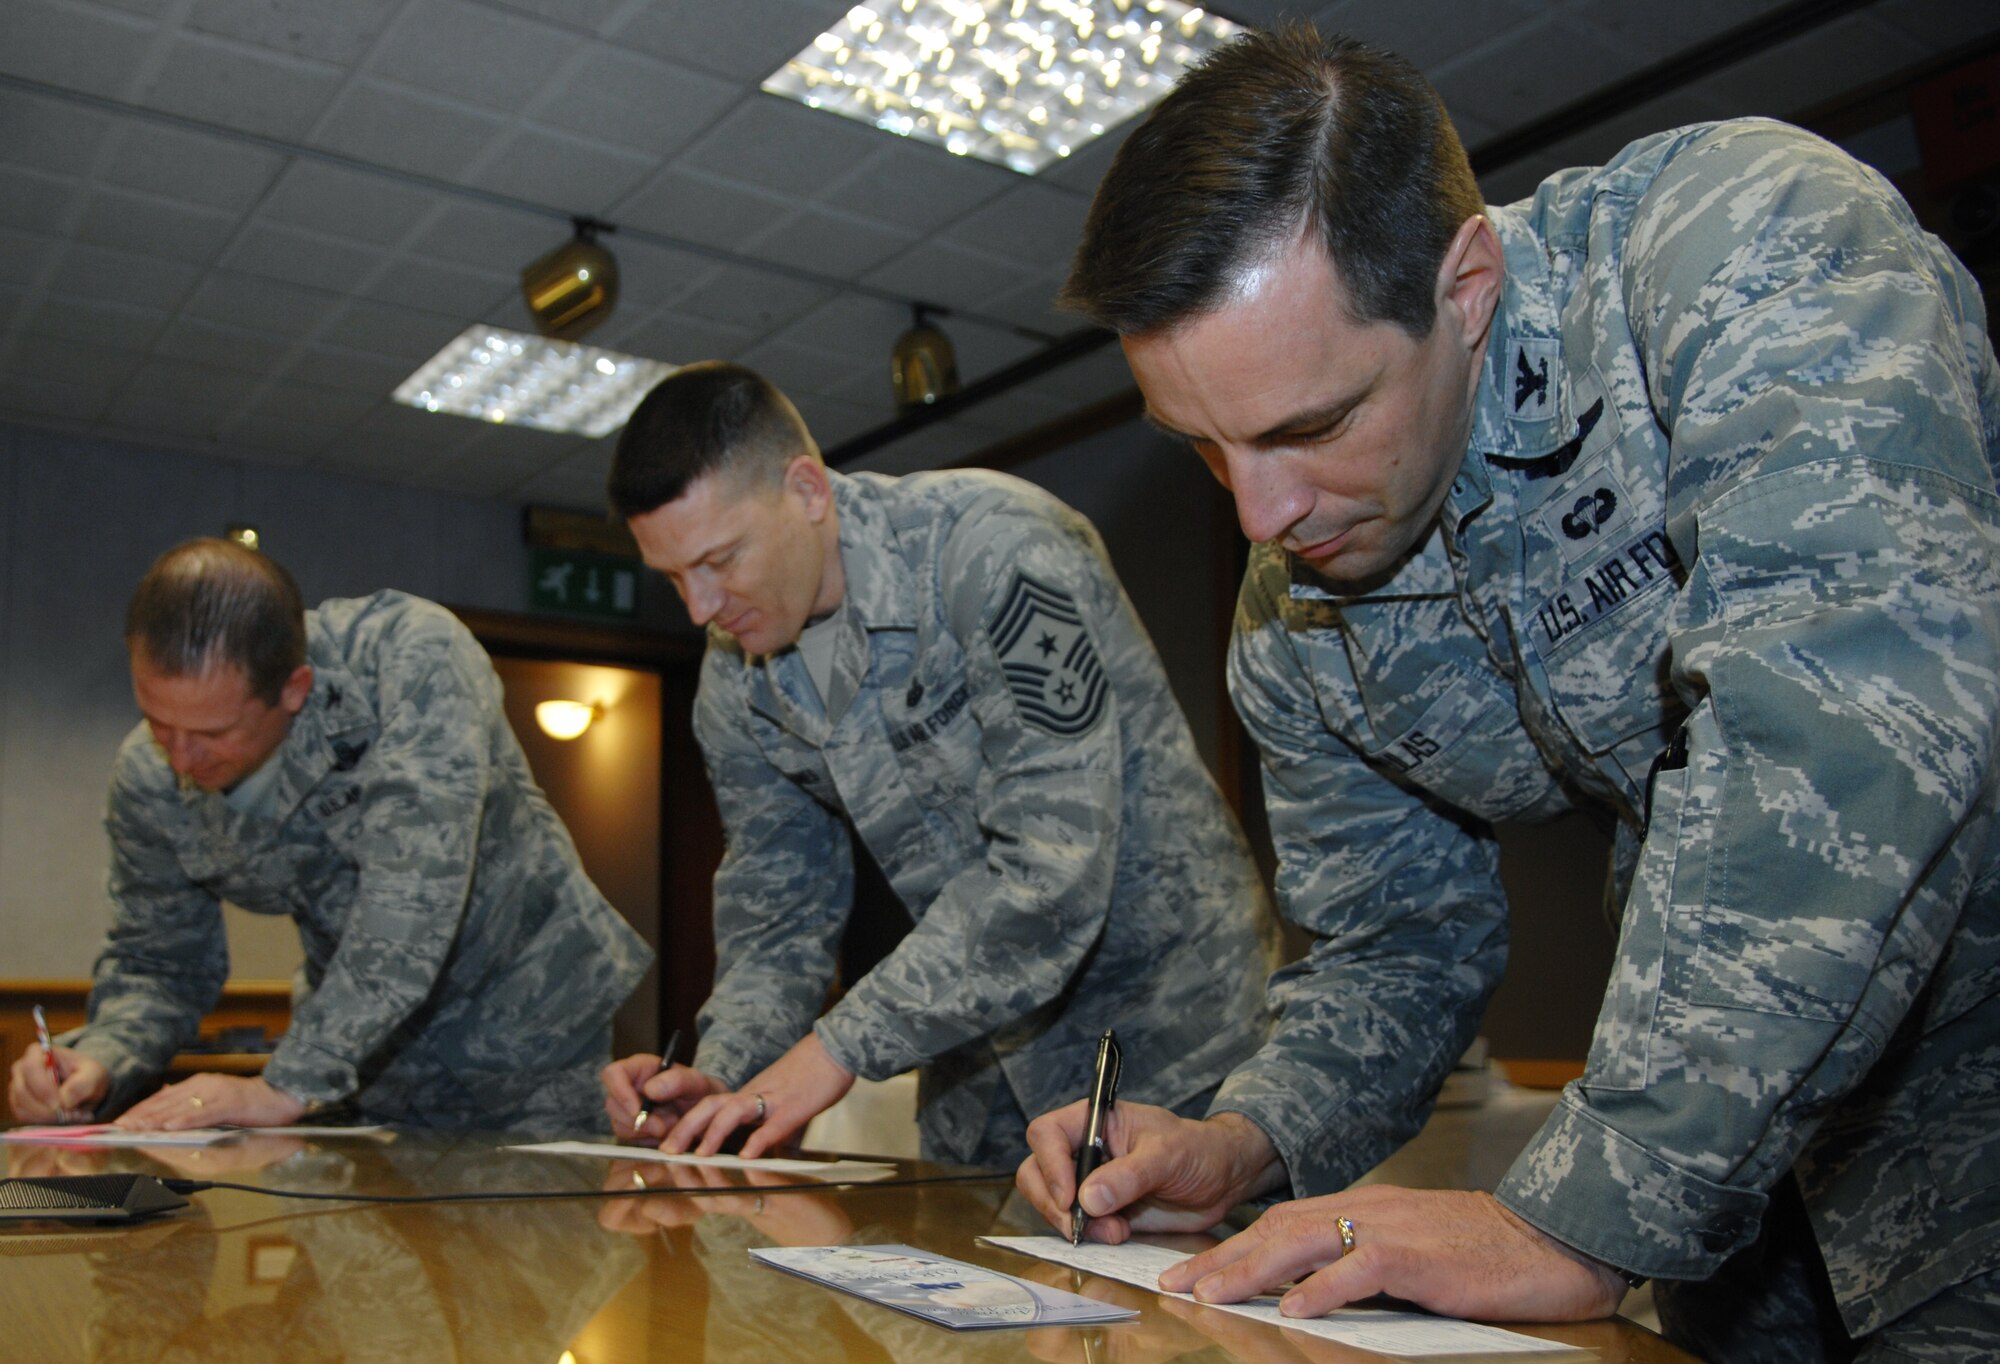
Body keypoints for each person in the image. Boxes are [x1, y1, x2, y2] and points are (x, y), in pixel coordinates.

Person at [1013, 23, 2000, 1361]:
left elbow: (1847, 718)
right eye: (1204, 448)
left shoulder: (1731, 244)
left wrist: (1585, 1217)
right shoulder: (1297, 618)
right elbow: (1397, 947)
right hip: (1736, 1169)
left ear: (1466, 286)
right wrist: (1246, 1137)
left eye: (1309, 427)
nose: (1260, 512)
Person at [597, 361, 1274, 1169]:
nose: (700, 607)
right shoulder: (737, 679)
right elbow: (777, 910)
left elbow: (1049, 868)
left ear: (808, 491)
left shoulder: (993, 552)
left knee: (1197, 1295)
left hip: (1170, 1047)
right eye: (674, 577)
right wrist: (726, 1075)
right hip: (981, 1069)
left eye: (721, 559)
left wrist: (837, 1047)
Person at [6, 538, 652, 1134]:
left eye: (212, 734)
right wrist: (99, 1057)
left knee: (546, 1239)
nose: (180, 758)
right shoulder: (148, 781)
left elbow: (412, 889)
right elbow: (159, 964)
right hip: (369, 1064)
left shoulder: (408, 657)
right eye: (157, 723)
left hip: (536, 1034)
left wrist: (287, 1083)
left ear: (294, 689)